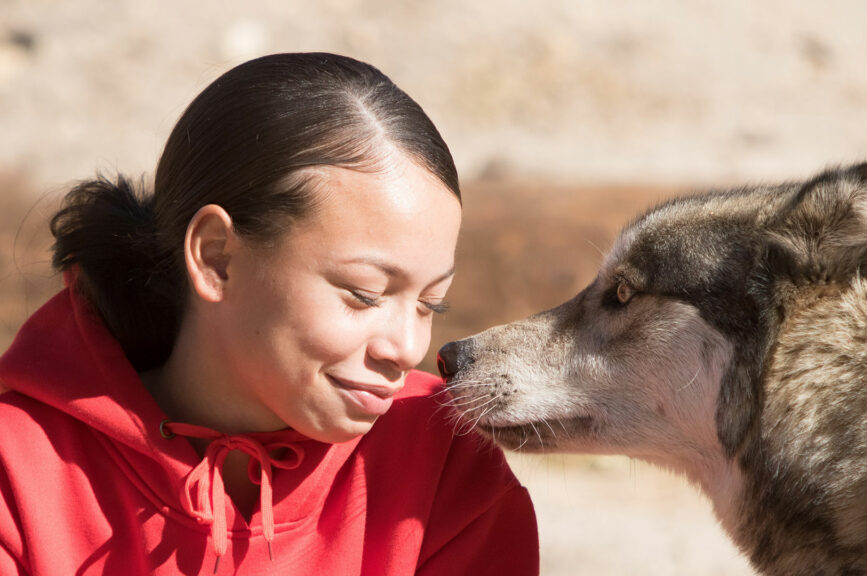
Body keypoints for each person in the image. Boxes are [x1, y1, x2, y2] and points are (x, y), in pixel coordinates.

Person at [0, 52, 539, 575]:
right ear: (217, 258)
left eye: (429, 304)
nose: (406, 348)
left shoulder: (444, 462)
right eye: (364, 292)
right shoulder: (19, 472)